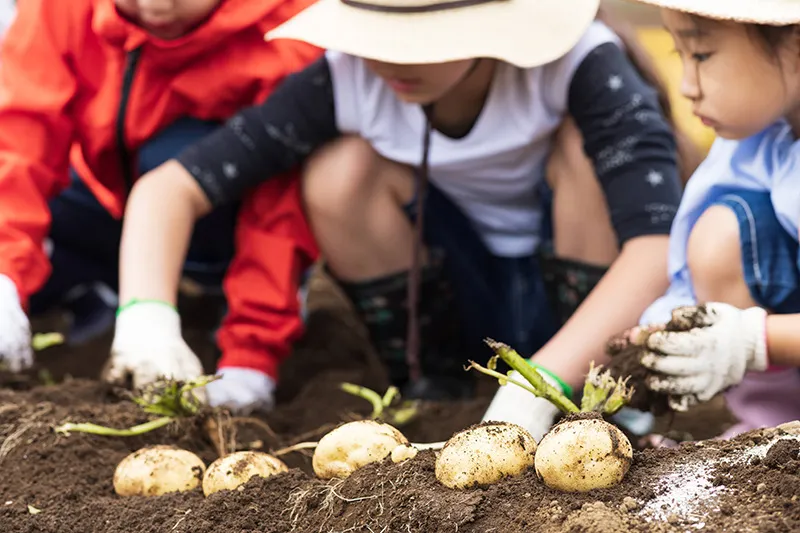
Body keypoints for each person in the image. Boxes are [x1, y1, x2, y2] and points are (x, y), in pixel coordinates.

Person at [116, 0, 685, 432]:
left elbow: (656, 246)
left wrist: (544, 383)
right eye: (376, 35)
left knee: (585, 157)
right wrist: (146, 318)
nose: (388, 60)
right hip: (453, 293)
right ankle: (434, 382)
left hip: (588, 306)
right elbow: (170, 189)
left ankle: (601, 403)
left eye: (418, 40)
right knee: (340, 171)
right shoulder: (349, 76)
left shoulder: (581, 67)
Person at [0, 0, 321, 412]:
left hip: (212, 221)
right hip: (106, 194)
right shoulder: (59, 8)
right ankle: (101, 290)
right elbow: (21, 141)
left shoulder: (288, 29)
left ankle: (215, 293)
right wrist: (6, 272)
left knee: (173, 153)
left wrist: (251, 356)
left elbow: (278, 209)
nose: (157, 5)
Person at [624, 0, 800, 439]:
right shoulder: (759, 141)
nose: (687, 86)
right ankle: (772, 427)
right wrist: (666, 326)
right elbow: (692, 268)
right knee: (721, 235)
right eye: (678, 55)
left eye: (701, 55)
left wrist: (755, 339)